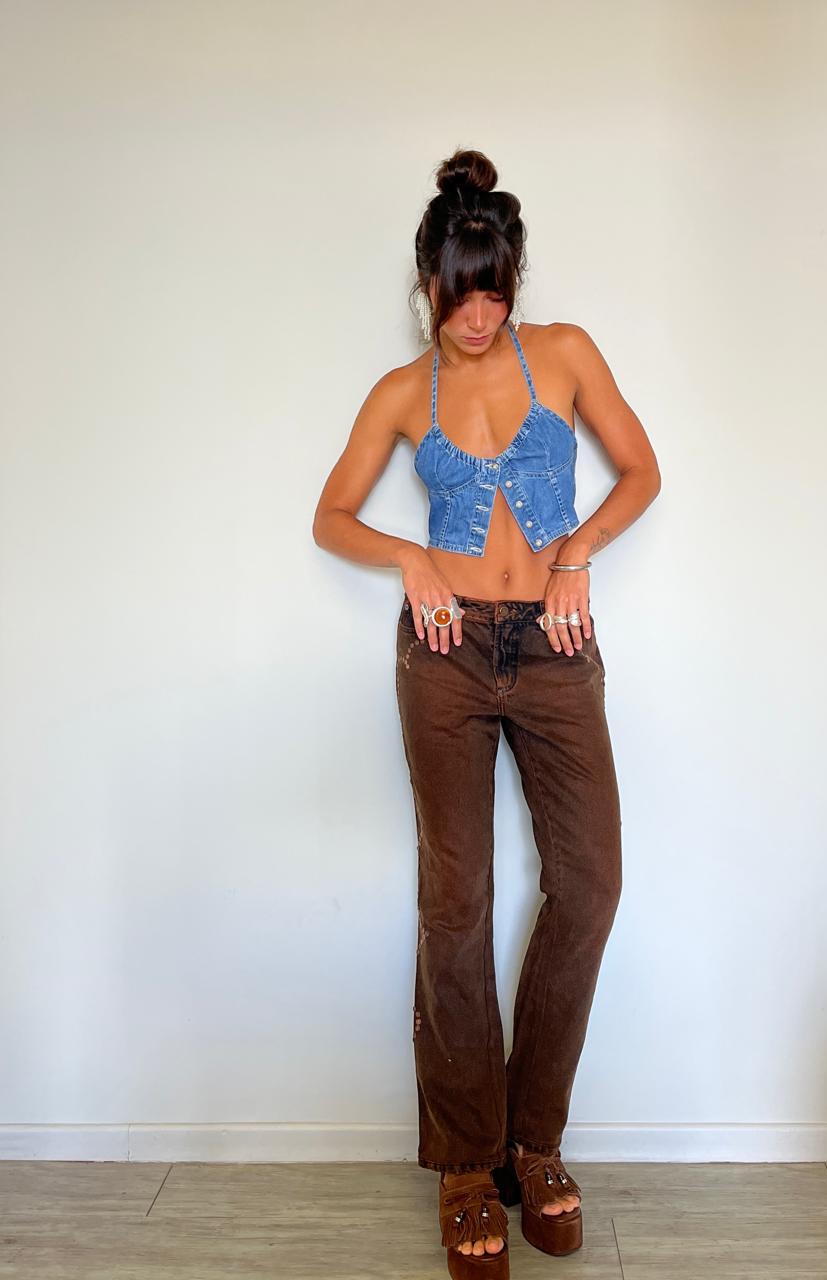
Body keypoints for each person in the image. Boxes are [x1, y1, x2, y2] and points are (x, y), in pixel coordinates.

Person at [313, 148, 660, 1278]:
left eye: (494, 291)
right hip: (446, 653)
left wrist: (578, 555)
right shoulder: (398, 393)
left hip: (556, 648)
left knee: (591, 882)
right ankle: (468, 1159)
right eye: (459, 294)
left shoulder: (564, 354)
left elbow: (642, 471)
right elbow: (330, 516)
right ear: (428, 282)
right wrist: (411, 556)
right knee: (455, 900)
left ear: (513, 279)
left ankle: (534, 1141)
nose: (477, 316)